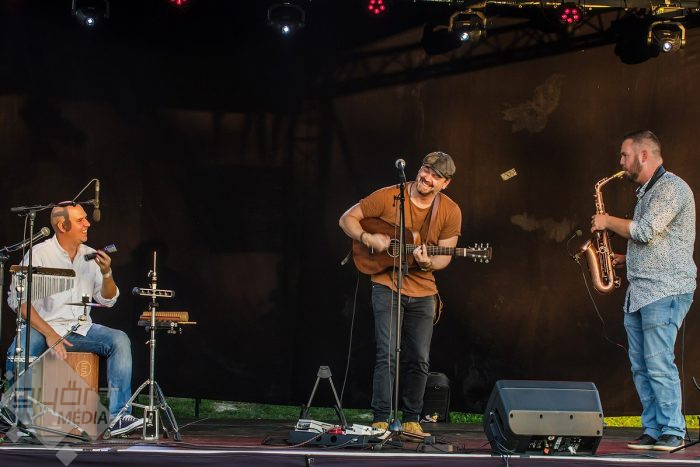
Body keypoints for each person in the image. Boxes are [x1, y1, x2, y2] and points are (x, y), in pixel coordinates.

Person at [339, 152, 462, 438]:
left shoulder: (450, 210)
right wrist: (367, 237)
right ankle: (381, 418)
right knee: (387, 353)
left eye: (436, 176)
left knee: (419, 357)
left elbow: (444, 256)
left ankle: (411, 419)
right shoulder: (389, 196)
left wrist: (428, 263)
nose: (427, 177)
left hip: (424, 290)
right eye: (426, 170)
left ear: (445, 183)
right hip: (387, 284)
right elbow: (347, 219)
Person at [591, 130, 696, 451]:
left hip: (664, 290)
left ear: (644, 155)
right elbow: (655, 241)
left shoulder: (671, 188)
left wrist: (606, 221)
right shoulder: (646, 192)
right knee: (641, 366)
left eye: (625, 155)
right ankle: (653, 429)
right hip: (640, 292)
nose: (621, 162)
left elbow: (646, 231)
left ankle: (673, 431)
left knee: (658, 362)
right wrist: (627, 259)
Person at [5, 203, 143, 436]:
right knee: (20, 349)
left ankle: (118, 417)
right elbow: (19, 302)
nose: (87, 224)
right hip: (44, 328)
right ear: (62, 225)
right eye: (81, 220)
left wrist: (107, 273)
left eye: (85, 219)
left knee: (119, 339)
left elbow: (108, 299)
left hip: (79, 329)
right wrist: (50, 334)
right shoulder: (40, 254)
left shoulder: (89, 255)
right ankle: (20, 419)